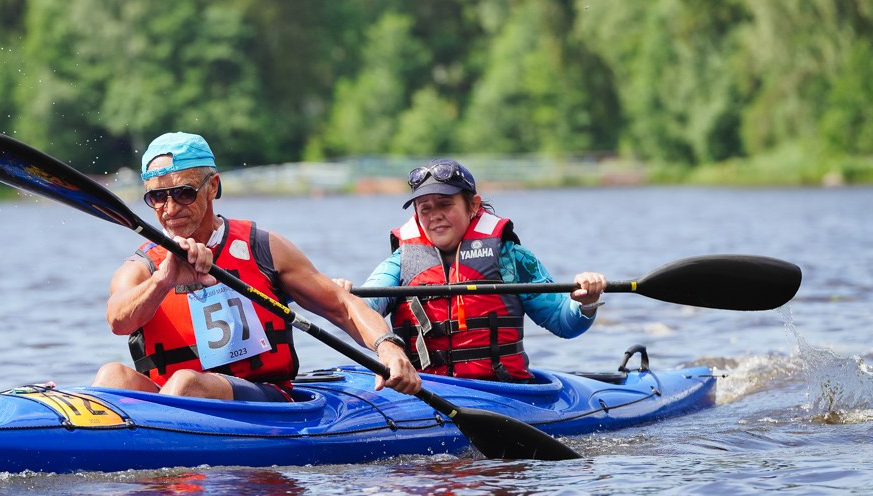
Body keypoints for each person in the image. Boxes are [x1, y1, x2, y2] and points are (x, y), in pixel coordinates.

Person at [92, 132, 421, 401]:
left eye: (183, 193)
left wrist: (388, 349)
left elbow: (342, 306)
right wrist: (164, 280)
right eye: (157, 197)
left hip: (265, 399)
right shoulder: (142, 266)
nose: (170, 207)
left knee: (188, 383)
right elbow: (119, 321)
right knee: (113, 375)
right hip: (170, 400)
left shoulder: (263, 248)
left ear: (213, 186)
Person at [335, 158, 606, 382]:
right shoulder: (400, 262)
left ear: (473, 205)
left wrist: (586, 303)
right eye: (425, 209)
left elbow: (563, 322)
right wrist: (345, 298)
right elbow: (365, 310)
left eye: (445, 205)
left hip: (501, 391)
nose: (435, 216)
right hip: (426, 390)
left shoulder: (510, 259)